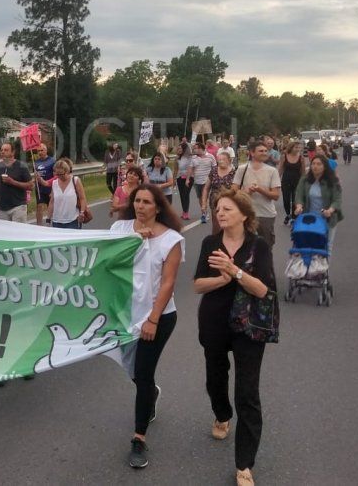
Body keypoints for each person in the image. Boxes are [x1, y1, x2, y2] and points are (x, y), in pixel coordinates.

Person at [194, 188, 276, 486]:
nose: (221, 213)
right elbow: (198, 285)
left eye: (227, 209)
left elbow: (263, 290)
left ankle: (244, 465)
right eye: (218, 209)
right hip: (214, 322)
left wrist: (234, 271)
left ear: (244, 214)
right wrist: (220, 278)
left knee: (247, 393)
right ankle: (221, 413)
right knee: (215, 379)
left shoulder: (259, 246)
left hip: (249, 326)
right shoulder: (210, 243)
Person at [111, 183, 184, 469]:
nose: (141, 206)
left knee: (142, 372)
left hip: (158, 317)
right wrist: (131, 243)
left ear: (158, 207)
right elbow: (104, 263)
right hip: (123, 314)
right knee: (132, 369)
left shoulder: (172, 239)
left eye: (147, 202)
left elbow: (168, 282)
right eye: (137, 201)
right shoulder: (119, 231)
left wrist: (153, 318)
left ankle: (139, 438)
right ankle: (150, 392)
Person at [231, 140, 281, 248]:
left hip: (266, 215)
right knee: (245, 246)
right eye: (261, 151)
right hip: (246, 214)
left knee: (266, 247)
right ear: (252, 153)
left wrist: (260, 190)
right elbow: (233, 192)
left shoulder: (272, 171)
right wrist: (247, 192)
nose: (264, 153)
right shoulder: (241, 169)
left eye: (266, 151)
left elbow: (276, 195)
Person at [293, 155, 344, 250]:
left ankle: (324, 265)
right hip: (309, 218)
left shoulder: (333, 181)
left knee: (326, 246)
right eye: (313, 164)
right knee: (308, 245)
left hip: (327, 219)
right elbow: (299, 195)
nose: (315, 166)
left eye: (319, 164)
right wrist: (299, 206)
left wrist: (330, 210)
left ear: (325, 166)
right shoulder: (305, 180)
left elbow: (337, 200)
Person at [0, 142, 33, 222]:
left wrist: (12, 182)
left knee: (17, 233)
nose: (2, 152)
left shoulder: (21, 166)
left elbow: (30, 185)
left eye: (6, 150)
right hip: (1, 208)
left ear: (13, 152)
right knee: (3, 233)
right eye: (1, 150)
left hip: (18, 206)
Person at [48, 158, 90, 229]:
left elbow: (82, 198)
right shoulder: (54, 183)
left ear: (67, 171)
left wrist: (82, 212)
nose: (59, 177)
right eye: (57, 174)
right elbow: (52, 202)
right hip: (57, 221)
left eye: (61, 174)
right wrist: (48, 218)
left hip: (73, 220)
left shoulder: (75, 180)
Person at [201, 151, 236, 234]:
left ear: (229, 160)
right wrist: (203, 204)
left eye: (223, 159)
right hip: (215, 202)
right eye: (219, 159)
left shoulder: (234, 172)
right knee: (216, 225)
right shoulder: (213, 171)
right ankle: (216, 243)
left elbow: (238, 190)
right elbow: (206, 188)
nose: (221, 161)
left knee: (228, 226)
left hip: (230, 203)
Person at [278, 141, 305, 225]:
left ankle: (294, 217)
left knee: (295, 200)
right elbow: (280, 169)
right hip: (286, 180)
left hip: (297, 181)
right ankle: (288, 214)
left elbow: (303, 171)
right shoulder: (284, 156)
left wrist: (304, 182)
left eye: (299, 147)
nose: (298, 149)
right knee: (286, 199)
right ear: (291, 148)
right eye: (296, 147)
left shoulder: (301, 158)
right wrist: (276, 180)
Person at [190, 143, 217, 224]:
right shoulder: (193, 158)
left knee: (205, 197)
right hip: (197, 180)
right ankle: (204, 212)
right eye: (194, 148)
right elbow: (191, 168)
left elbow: (214, 168)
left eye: (196, 148)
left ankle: (205, 212)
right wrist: (189, 178)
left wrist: (214, 177)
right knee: (200, 198)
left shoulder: (210, 156)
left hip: (207, 181)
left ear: (201, 148)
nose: (195, 150)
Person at [34, 143, 56, 225]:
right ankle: (39, 226)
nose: (40, 152)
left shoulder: (52, 161)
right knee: (39, 206)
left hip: (49, 188)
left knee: (50, 206)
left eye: (42, 150)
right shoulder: (36, 162)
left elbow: (55, 176)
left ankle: (52, 223)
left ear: (46, 150)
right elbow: (35, 175)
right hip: (39, 188)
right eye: (38, 151)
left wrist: (52, 190)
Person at [176, 143, 194, 220]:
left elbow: (192, 168)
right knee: (182, 195)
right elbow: (176, 169)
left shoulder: (190, 157)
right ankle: (184, 211)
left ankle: (186, 213)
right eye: (178, 149)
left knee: (186, 195)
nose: (179, 150)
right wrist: (174, 180)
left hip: (189, 178)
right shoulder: (177, 158)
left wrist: (188, 178)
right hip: (180, 178)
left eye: (180, 148)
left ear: (184, 149)